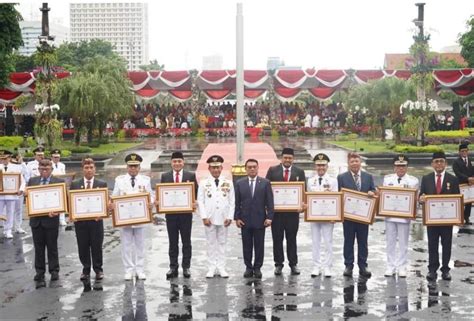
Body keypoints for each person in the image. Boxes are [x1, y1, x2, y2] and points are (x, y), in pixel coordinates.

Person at [111, 153, 153, 281]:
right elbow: (114, 196)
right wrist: (112, 205)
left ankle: (140, 269)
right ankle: (128, 270)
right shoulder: (119, 180)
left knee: (140, 244)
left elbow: (151, 195)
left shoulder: (145, 180)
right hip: (125, 219)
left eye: (135, 166)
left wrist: (151, 202)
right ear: (127, 167)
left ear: (139, 167)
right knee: (126, 245)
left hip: (140, 218)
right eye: (131, 166)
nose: (133, 169)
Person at [420, 151, 460, 281]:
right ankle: (432, 270)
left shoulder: (453, 179)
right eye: (436, 161)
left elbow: (457, 200)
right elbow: (422, 195)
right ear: (432, 164)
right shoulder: (426, 178)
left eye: (441, 161)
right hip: (431, 219)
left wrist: (458, 217)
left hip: (446, 220)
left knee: (446, 244)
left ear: (445, 163)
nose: (439, 164)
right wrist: (422, 198)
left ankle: (445, 270)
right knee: (432, 244)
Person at [265, 147, 306, 275]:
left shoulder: (299, 172)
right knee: (277, 239)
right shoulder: (273, 171)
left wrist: (302, 205)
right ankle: (278, 264)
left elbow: (304, 191)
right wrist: (267, 208)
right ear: (281, 158)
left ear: (293, 159)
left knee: (291, 238)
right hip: (276, 214)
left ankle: (293, 264)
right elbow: (266, 190)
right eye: (285, 157)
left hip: (292, 214)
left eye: (290, 158)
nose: (287, 160)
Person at [159, 151, 198, 279]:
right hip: (171, 215)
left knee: (186, 241)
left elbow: (195, 193)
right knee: (173, 241)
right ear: (171, 163)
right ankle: (173, 267)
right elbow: (161, 194)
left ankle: (186, 267)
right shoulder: (165, 176)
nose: (177, 164)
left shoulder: (190, 176)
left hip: (186, 215)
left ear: (183, 162)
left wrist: (194, 202)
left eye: (179, 161)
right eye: (174, 161)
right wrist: (160, 202)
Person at [337, 152, 376, 278]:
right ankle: (348, 265)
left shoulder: (368, 176)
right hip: (348, 217)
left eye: (357, 161)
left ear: (360, 162)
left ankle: (363, 265)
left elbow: (374, 190)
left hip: (363, 217)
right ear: (348, 163)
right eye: (352, 161)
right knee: (348, 241)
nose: (355, 163)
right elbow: (338, 195)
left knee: (363, 242)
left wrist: (372, 192)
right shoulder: (341, 177)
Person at [234, 158, 274, 279]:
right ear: (246, 169)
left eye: (254, 167)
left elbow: (270, 202)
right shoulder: (240, 183)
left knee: (259, 245)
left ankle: (257, 268)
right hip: (244, 220)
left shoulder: (265, 183)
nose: (252, 169)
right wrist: (237, 217)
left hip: (260, 220)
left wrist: (270, 217)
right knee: (246, 245)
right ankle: (248, 267)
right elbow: (236, 202)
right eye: (249, 167)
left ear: (258, 168)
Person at [28, 159, 65, 288]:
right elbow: (28, 201)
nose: (44, 170)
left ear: (51, 169)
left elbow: (63, 200)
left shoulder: (59, 182)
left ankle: (54, 271)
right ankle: (40, 272)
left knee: (52, 247)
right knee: (38, 248)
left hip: (51, 220)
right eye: (42, 168)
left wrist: (58, 211)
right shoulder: (32, 181)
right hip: (36, 221)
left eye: (47, 168)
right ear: (38, 169)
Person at [70, 158, 108, 281]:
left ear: (95, 169)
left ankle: (98, 270)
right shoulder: (75, 184)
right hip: (80, 222)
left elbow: (105, 203)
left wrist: (104, 212)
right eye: (86, 168)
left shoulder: (101, 184)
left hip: (96, 221)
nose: (89, 170)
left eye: (91, 167)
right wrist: (72, 215)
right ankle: (85, 270)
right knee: (83, 246)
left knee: (97, 246)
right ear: (83, 169)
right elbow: (71, 202)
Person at [197, 155, 235, 278]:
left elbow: (232, 201)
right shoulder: (203, 183)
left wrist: (230, 217)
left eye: (218, 167)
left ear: (221, 168)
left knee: (222, 242)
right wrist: (204, 217)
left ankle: (221, 267)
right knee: (211, 243)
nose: (216, 170)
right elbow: (200, 201)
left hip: (224, 218)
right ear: (209, 169)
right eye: (213, 168)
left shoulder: (228, 183)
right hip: (210, 218)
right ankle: (212, 267)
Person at [382, 154, 419, 278]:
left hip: (404, 217)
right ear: (394, 167)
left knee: (403, 242)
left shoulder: (413, 181)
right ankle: (390, 265)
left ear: (407, 167)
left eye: (403, 166)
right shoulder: (387, 180)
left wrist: (414, 212)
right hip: (390, 216)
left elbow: (415, 200)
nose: (401, 169)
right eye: (398, 166)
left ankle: (402, 266)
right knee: (390, 241)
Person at [307, 153, 338, 277]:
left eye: (323, 165)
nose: (321, 168)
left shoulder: (333, 180)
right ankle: (316, 266)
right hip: (314, 216)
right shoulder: (310, 181)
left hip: (328, 217)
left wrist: (335, 216)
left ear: (327, 166)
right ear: (315, 166)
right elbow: (308, 198)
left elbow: (336, 199)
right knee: (315, 241)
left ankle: (327, 267)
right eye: (318, 165)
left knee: (328, 241)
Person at [0, 150, 26, 239]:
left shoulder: (16, 168)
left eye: (5, 158)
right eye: (1, 158)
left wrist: (21, 190)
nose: (3, 160)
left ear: (9, 158)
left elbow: (22, 181)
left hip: (12, 194)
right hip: (0, 194)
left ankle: (8, 230)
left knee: (10, 212)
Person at [452, 143, 474, 225]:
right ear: (459, 152)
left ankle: (466, 217)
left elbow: (472, 170)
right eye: (462, 151)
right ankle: (460, 218)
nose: (464, 152)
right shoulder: (456, 162)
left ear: (468, 151)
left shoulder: (470, 160)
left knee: (469, 202)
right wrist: (467, 178)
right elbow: (457, 173)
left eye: (466, 151)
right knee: (461, 202)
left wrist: (472, 178)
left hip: (470, 184)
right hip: (460, 184)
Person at [51, 149, 67, 226]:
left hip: (61, 186)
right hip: (52, 186)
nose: (56, 159)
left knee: (62, 202)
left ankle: (62, 219)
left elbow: (64, 175)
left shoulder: (62, 165)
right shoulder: (49, 165)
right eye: (55, 157)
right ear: (51, 157)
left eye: (58, 157)